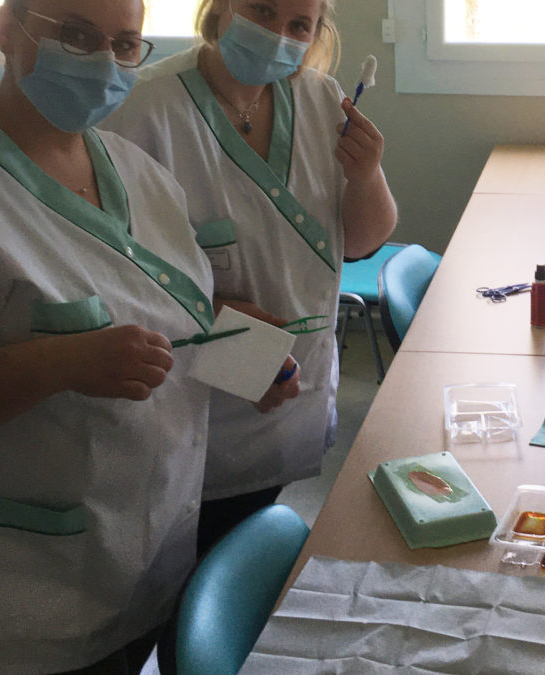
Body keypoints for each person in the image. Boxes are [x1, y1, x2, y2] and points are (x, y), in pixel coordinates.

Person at [103, 0, 397, 556]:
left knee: (250, 552)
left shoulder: (319, 99)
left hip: (293, 399)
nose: (277, 35)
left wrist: (367, 174)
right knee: (190, 573)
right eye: (261, 11)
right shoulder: (144, 109)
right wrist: (232, 340)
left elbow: (360, 242)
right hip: (197, 415)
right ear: (219, 11)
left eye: (298, 26)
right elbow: (117, 276)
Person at [0, 0, 216, 671]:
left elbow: (172, 311)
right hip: (27, 596)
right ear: (6, 30)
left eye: (125, 43)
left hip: (150, 550)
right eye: (76, 36)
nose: (104, 62)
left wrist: (247, 356)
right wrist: (60, 360)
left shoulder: (137, 172)